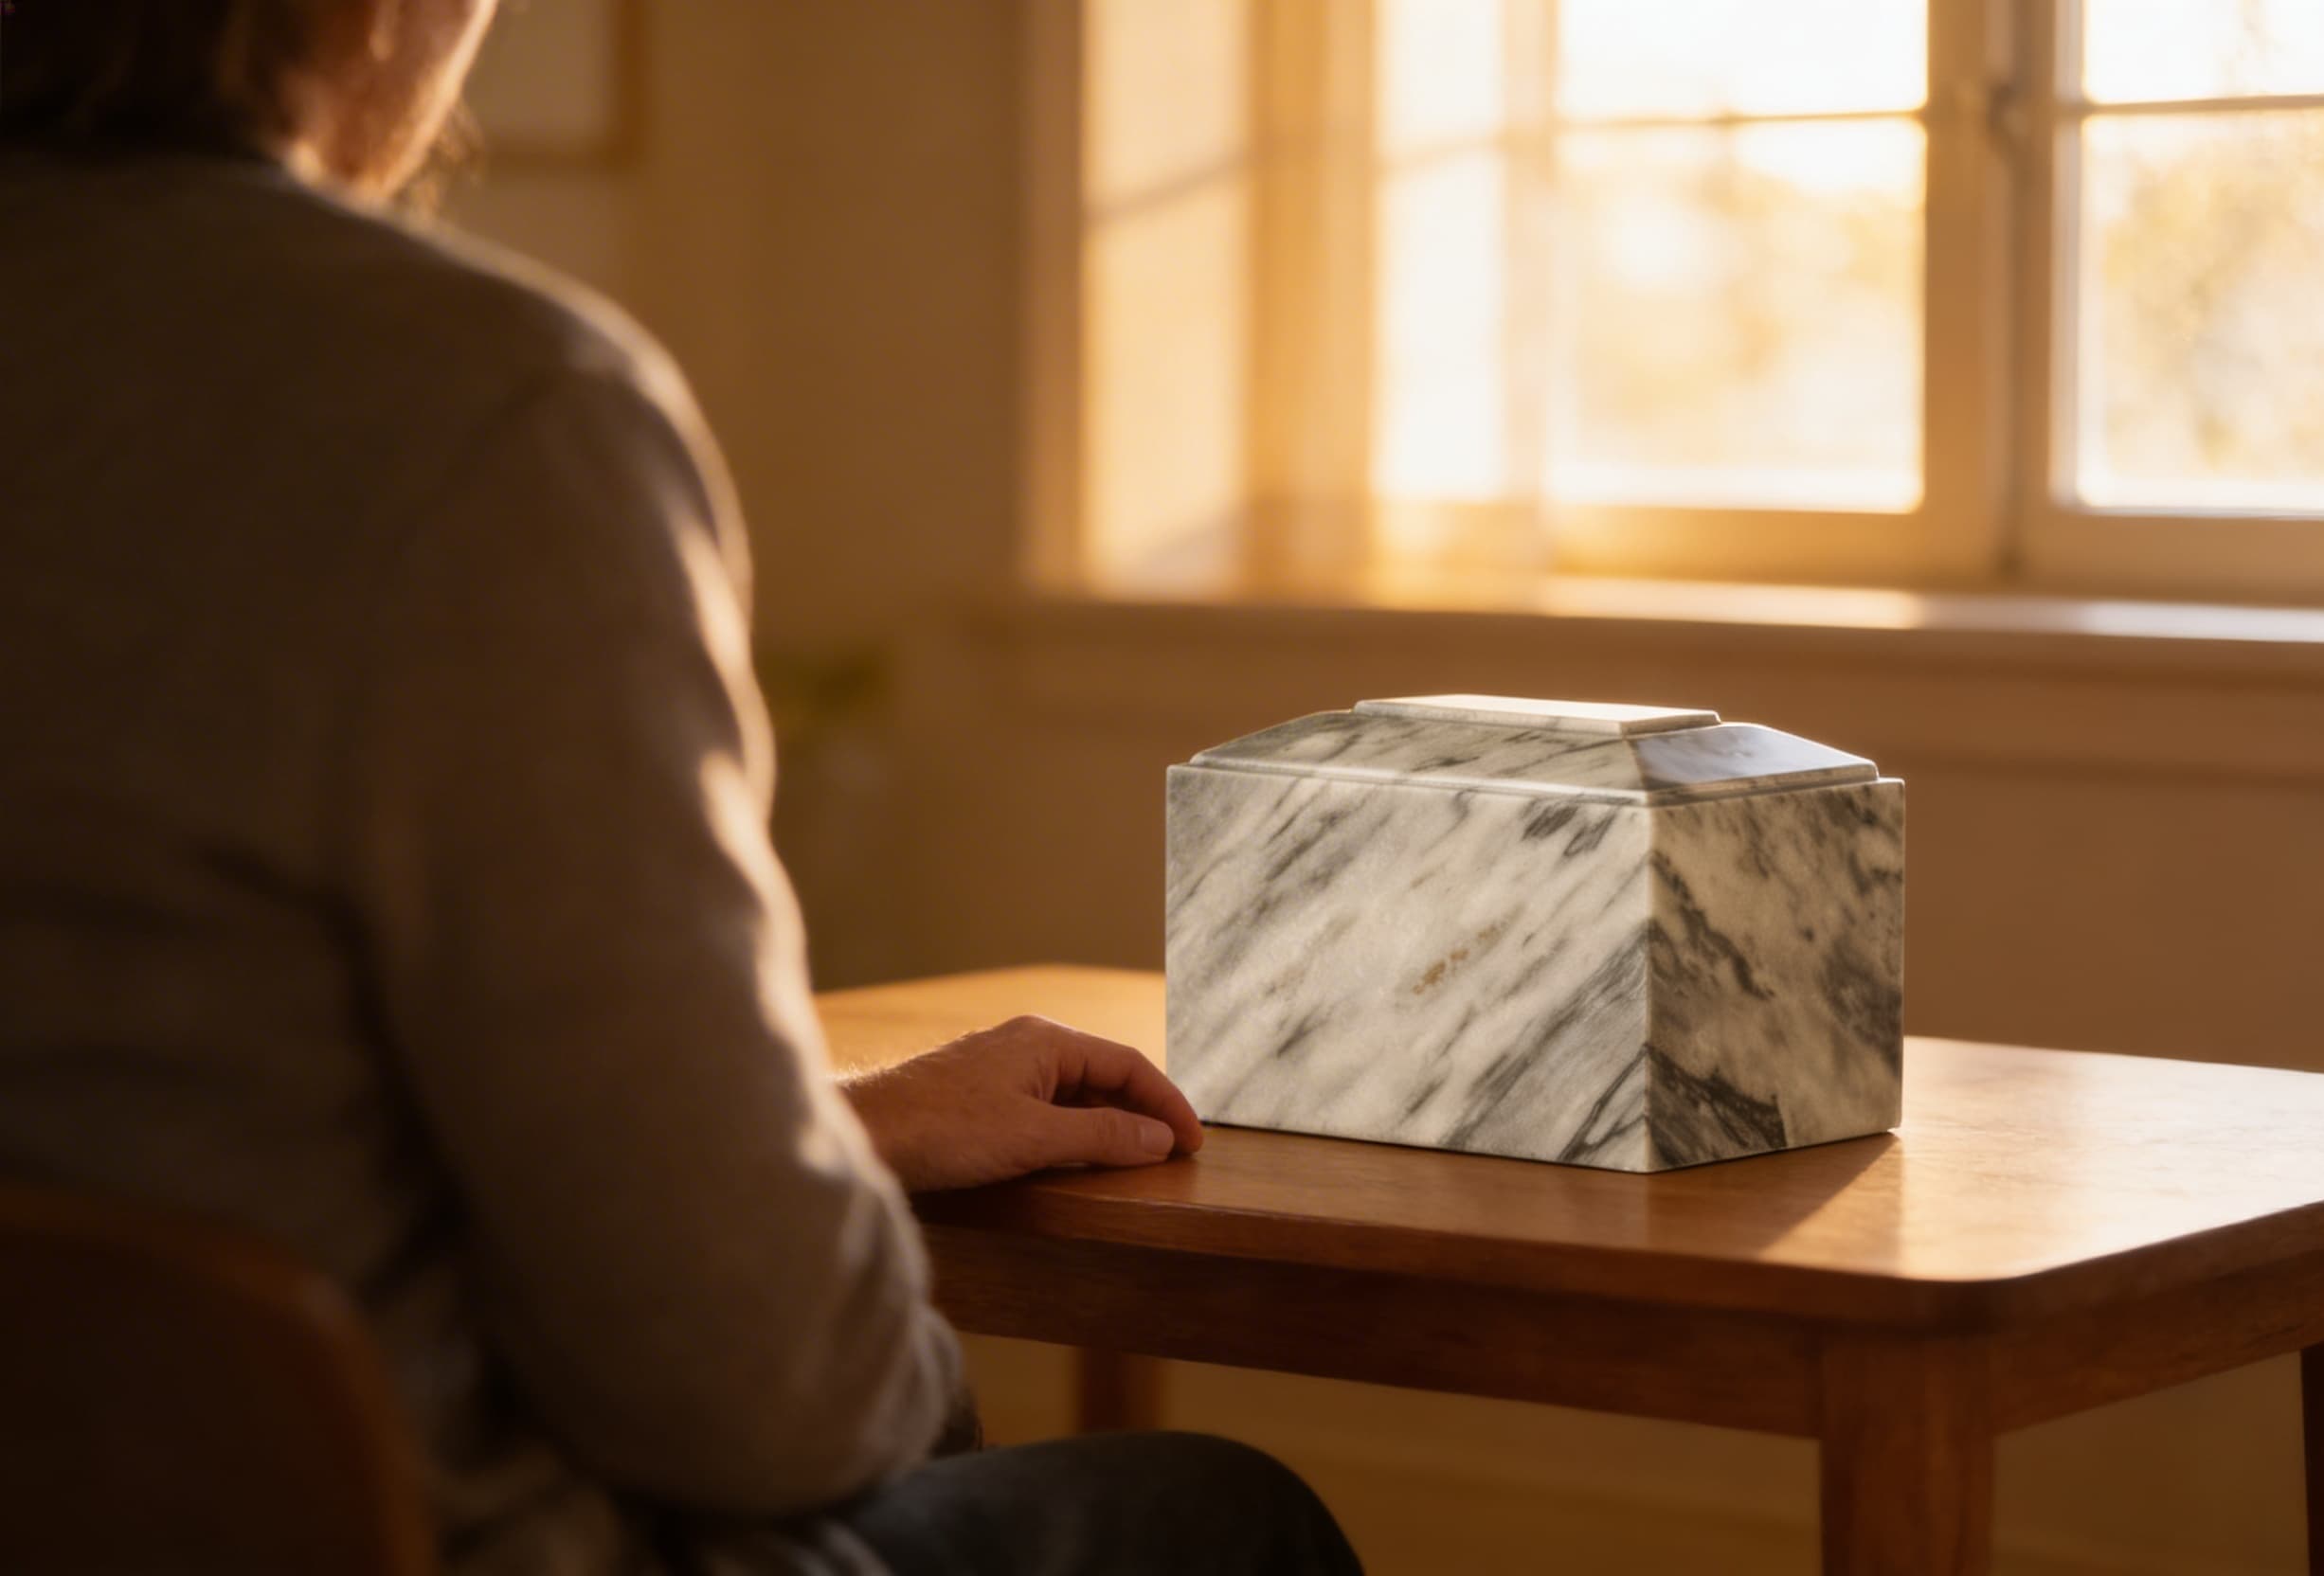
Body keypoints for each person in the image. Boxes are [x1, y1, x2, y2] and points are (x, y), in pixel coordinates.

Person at [0, 3, 1362, 1572]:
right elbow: (772, 1401)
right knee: (1217, 1523)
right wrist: (797, 1258)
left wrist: (805, 1143)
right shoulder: (483, 410)